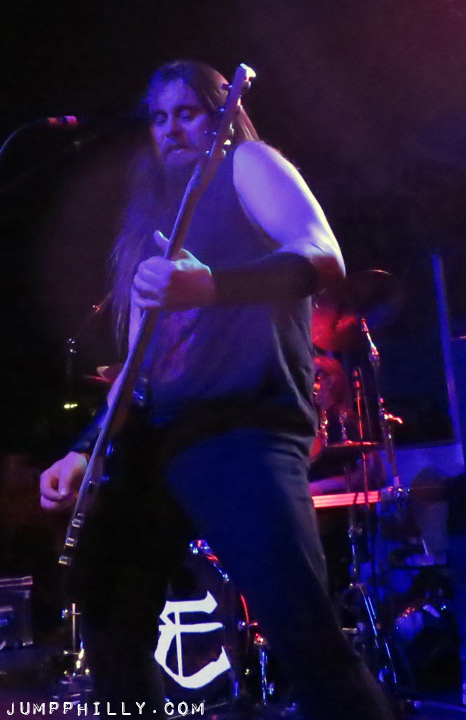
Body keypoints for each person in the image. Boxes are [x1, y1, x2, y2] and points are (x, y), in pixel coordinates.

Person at [40, 60, 395, 719]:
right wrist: (85, 449)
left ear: (221, 119)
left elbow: (323, 254)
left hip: (241, 427)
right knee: (110, 614)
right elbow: (140, 369)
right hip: (157, 439)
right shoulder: (152, 218)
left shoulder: (247, 163)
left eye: (187, 113)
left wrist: (212, 286)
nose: (171, 128)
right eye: (159, 117)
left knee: (302, 632)